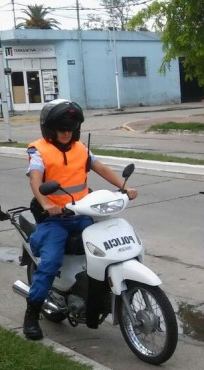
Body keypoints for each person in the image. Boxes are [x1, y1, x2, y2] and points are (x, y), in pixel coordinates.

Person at [23, 99, 138, 340]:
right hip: (54, 219)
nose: (66, 133)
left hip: (83, 214)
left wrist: (124, 187)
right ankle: (31, 315)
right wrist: (46, 204)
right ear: (50, 128)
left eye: (70, 128)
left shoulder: (81, 149)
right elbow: (35, 179)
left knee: (107, 249)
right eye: (61, 129)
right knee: (50, 262)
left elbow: (101, 168)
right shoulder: (39, 150)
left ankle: (94, 297)